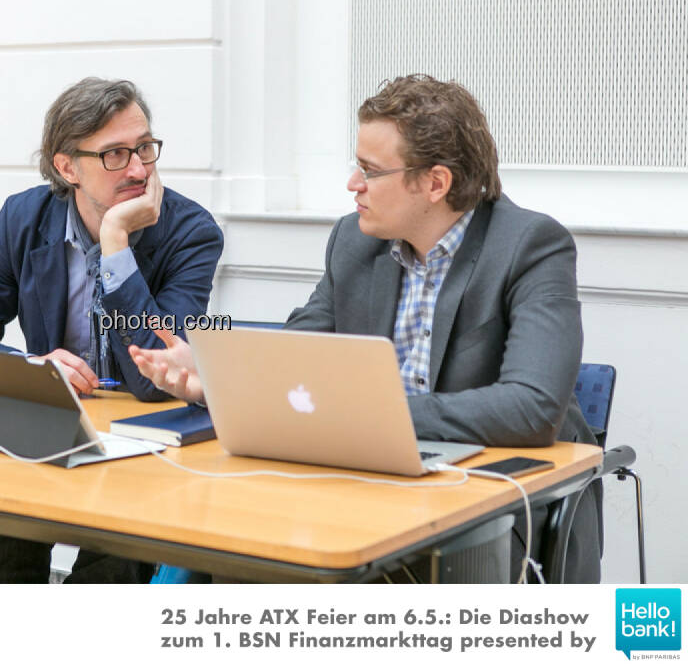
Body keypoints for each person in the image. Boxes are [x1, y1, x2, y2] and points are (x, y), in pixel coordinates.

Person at [130, 74, 602, 583]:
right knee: (219, 549)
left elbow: (531, 408)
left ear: (435, 183)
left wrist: (372, 413)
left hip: (488, 506)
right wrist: (215, 378)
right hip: (362, 482)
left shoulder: (530, 245)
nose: (353, 184)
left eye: (370, 171)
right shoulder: (355, 241)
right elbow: (296, 352)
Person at [0, 77, 223, 582]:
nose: (138, 168)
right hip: (53, 431)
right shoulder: (23, 219)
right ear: (67, 166)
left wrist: (117, 241)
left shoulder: (191, 233)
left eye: (144, 149)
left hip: (147, 445)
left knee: (109, 572)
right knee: (6, 552)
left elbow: (151, 378)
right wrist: (33, 369)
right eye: (115, 154)